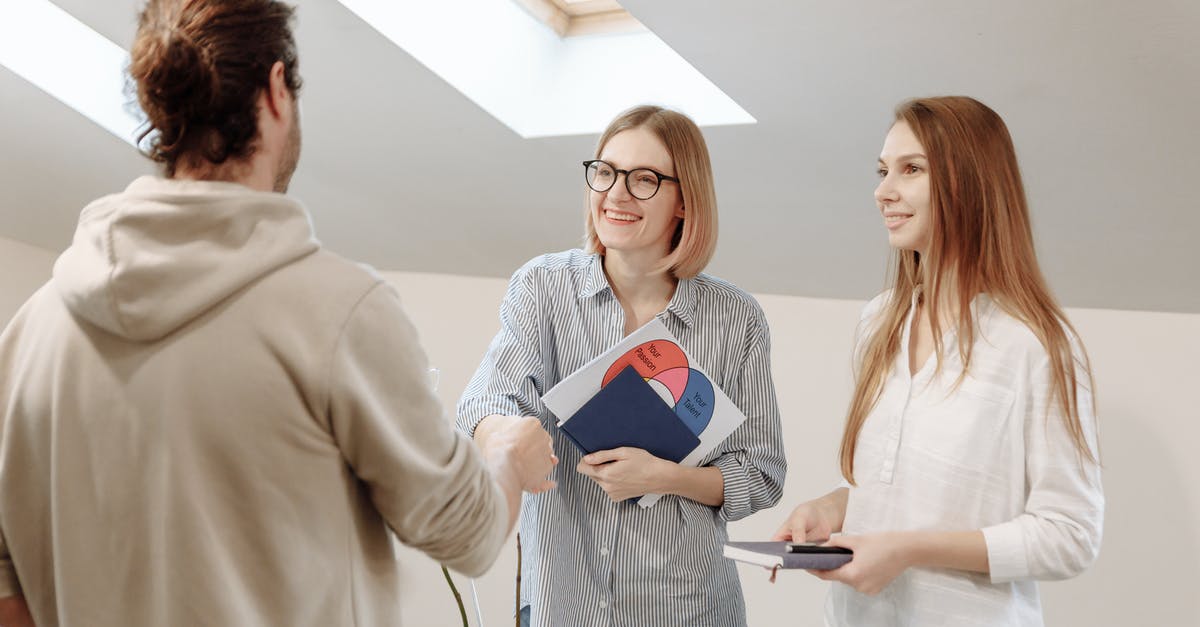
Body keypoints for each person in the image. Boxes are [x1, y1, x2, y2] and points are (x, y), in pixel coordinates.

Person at [0, 1, 556, 625]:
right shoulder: (339, 313)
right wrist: (509, 456)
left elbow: (8, 586)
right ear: (274, 91)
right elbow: (468, 531)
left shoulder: (30, 335)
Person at [773, 96, 1104, 626]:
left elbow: (1071, 536)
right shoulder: (879, 321)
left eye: (911, 169)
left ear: (968, 183)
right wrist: (832, 509)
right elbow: (894, 487)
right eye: (883, 171)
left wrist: (909, 550)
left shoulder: (1034, 344)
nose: (883, 191)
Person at [457, 105, 787, 627]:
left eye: (645, 179)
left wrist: (666, 477)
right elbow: (483, 401)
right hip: (563, 607)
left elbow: (762, 474)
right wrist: (506, 433)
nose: (615, 194)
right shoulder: (544, 287)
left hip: (689, 607)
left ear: (685, 201)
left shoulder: (736, 319)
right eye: (606, 172)